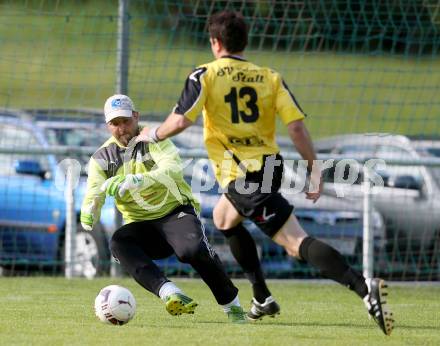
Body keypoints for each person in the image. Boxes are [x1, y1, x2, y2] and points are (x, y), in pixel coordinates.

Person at [137, 10, 394, 335]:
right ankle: (261, 296)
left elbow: (181, 120)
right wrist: (315, 170)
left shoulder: (204, 75)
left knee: (294, 242)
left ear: (215, 43)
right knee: (223, 218)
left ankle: (364, 288)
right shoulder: (270, 76)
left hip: (244, 177)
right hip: (269, 169)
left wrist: (153, 135)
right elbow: (297, 128)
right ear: (245, 42)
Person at [80, 94, 247, 323]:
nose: (121, 128)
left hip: (175, 213)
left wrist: (136, 180)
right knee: (119, 243)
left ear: (136, 117)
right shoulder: (101, 157)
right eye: (114, 123)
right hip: (142, 225)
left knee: (192, 251)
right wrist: (90, 210)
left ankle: (233, 306)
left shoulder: (154, 139)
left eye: (126, 121)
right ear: (108, 125)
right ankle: (170, 292)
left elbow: (172, 170)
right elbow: (94, 191)